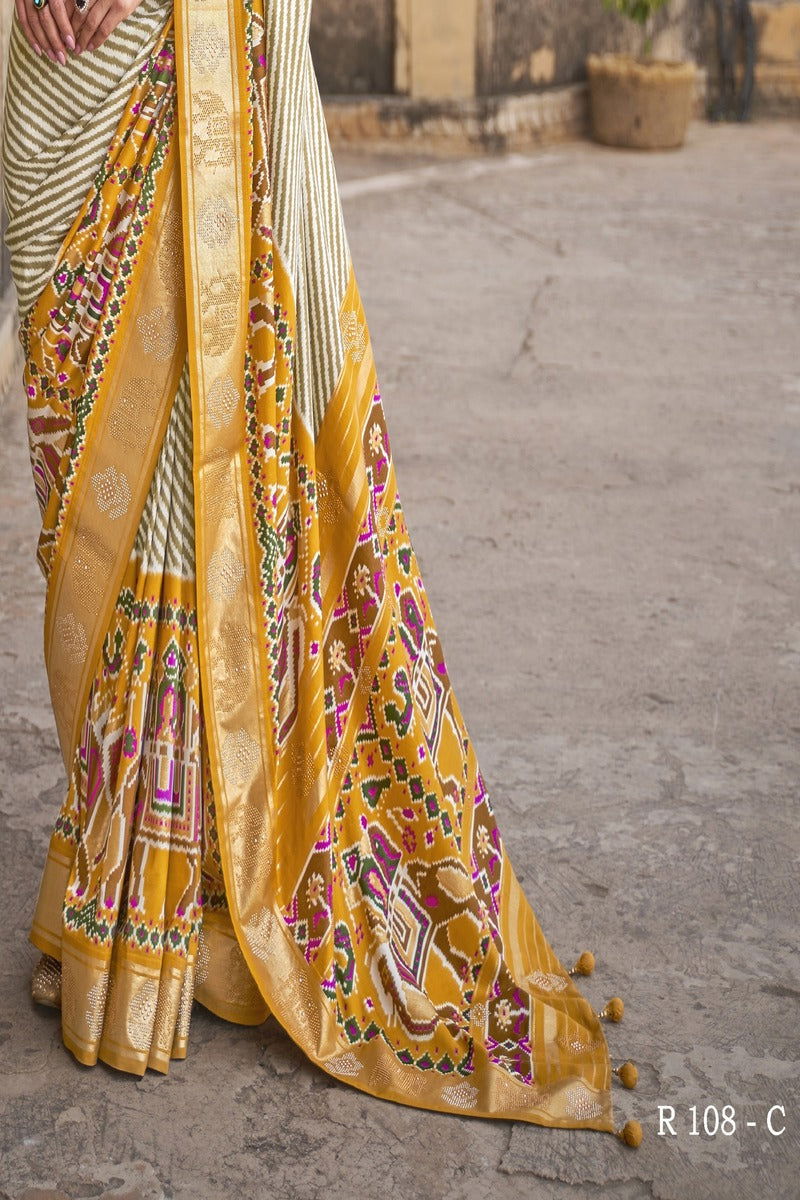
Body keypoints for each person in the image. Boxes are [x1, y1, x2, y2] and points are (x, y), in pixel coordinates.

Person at [1, 0, 642, 1147]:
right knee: (84, 462)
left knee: (186, 492)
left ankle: (152, 915)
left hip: (206, 42)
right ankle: (140, 872)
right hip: (66, 59)